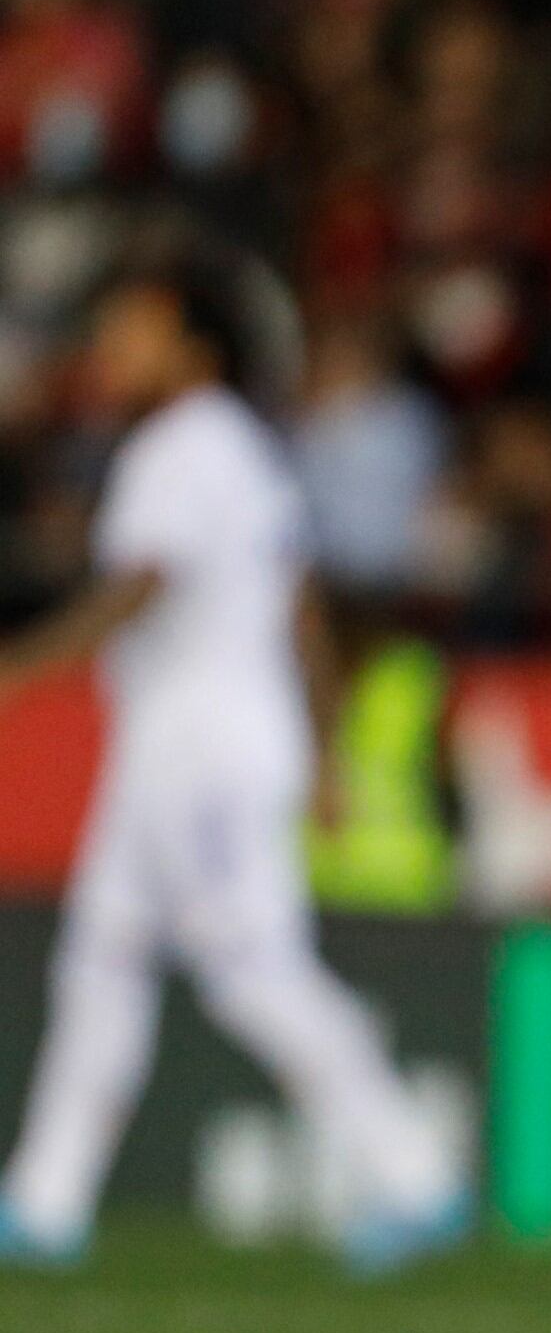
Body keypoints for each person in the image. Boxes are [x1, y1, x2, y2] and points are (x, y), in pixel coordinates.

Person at [0, 255, 470, 1273]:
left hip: (198, 747)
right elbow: (299, 610)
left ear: (194, 348)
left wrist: (22, 665)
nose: (110, 350)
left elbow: (143, 582)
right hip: (192, 737)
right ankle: (44, 1198)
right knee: (102, 955)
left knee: (253, 969)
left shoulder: (180, 445)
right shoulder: (246, 452)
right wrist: (327, 745)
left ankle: (414, 1173)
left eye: (134, 328)